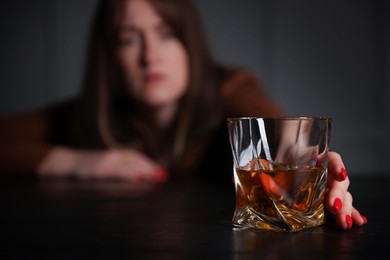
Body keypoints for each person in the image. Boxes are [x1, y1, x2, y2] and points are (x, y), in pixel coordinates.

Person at [0, 0, 366, 230]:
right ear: (109, 57)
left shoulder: (231, 87)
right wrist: (78, 162)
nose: (150, 56)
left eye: (166, 34)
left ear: (190, 42)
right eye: (129, 39)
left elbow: (276, 133)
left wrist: (304, 162)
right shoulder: (93, 111)